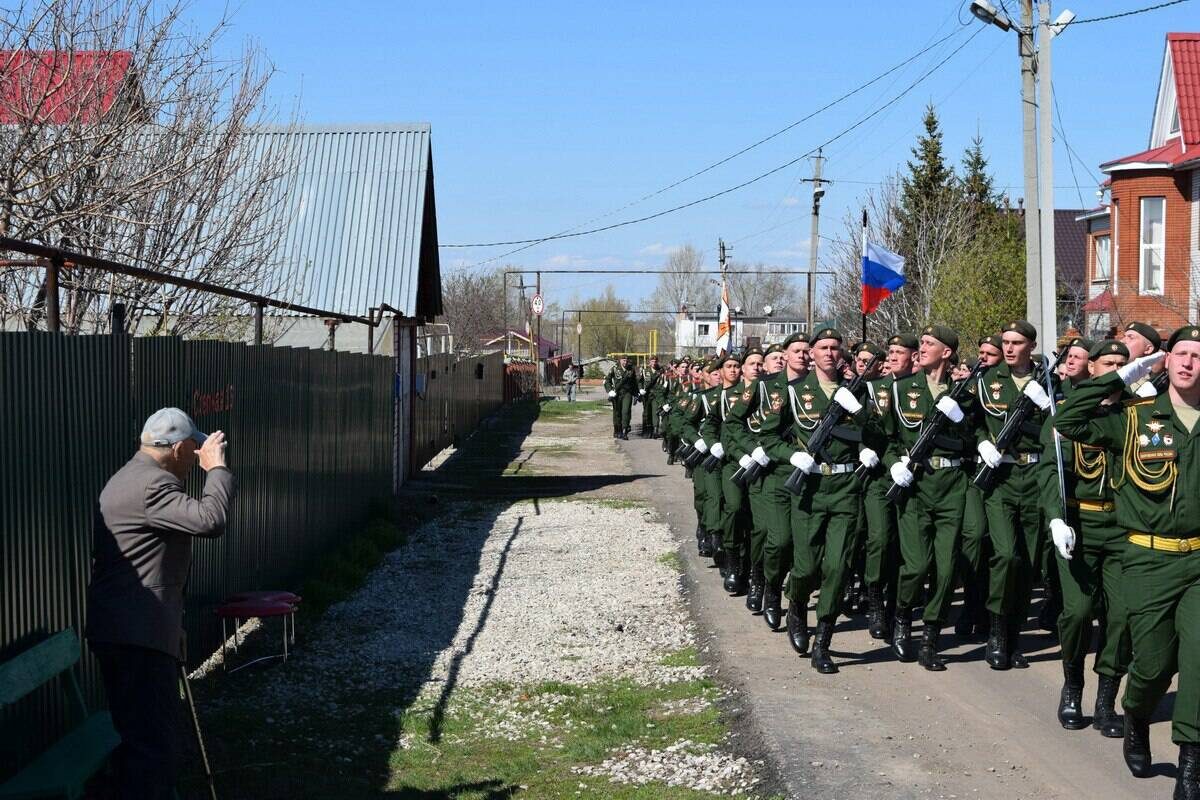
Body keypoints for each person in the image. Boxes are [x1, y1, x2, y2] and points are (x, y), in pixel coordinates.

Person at [1056, 326, 1200, 797]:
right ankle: (1136, 714)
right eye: (1181, 353)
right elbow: (1068, 420)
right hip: (1147, 559)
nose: (1189, 362)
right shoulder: (1135, 418)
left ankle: (1191, 764)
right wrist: (1122, 377)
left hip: (1199, 561)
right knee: (1153, 666)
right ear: (1165, 361)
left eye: (1198, 355)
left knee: (1198, 659)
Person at [86, 408, 234, 799]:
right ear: (180, 448)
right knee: (153, 749)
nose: (195, 458)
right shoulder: (151, 486)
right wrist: (217, 469)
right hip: (136, 637)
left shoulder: (131, 476)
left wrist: (171, 626)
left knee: (142, 739)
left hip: (133, 631)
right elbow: (211, 520)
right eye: (194, 450)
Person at [758, 327, 877, 674]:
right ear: (811, 353)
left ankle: (823, 641)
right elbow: (769, 437)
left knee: (837, 567)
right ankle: (796, 604)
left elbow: (877, 432)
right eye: (823, 347)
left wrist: (863, 430)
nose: (829, 353)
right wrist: (791, 456)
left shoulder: (856, 391)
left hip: (845, 487)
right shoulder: (793, 392)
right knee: (806, 567)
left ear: (841, 354)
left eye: (835, 348)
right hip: (810, 488)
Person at [1040, 338, 1131, 737]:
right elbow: (1050, 471)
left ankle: (1106, 701)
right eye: (1107, 363)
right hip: (1079, 526)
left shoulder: (1137, 414)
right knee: (1077, 612)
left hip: (1124, 529)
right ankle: (1073, 686)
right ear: (1091, 368)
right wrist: (1055, 519)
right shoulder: (1068, 413)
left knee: (1121, 617)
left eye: (1122, 363)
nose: (1115, 370)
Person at [883, 326, 972, 671]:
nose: (921, 348)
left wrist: (961, 418)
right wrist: (894, 464)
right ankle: (903, 617)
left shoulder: (964, 393)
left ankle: (930, 638)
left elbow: (975, 439)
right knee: (917, 565)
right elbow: (886, 439)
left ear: (946, 353)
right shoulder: (902, 389)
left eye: (929, 344)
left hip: (951, 485)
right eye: (920, 343)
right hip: (915, 485)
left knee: (946, 569)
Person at [972, 320, 1054, 671]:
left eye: (1016, 342)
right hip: (1000, 477)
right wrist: (982, 442)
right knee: (1005, 555)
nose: (1008, 348)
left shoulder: (1049, 381)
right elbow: (972, 422)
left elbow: (1060, 425)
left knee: (1027, 562)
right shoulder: (986, 380)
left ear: (1031, 346)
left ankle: (1015, 636)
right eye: (1005, 341)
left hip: (1035, 476)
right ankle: (996, 632)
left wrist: (1048, 405)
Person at [604, 355, 641, 439]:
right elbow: (607, 380)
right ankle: (617, 429)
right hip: (617, 393)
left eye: (626, 360)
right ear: (620, 360)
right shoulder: (614, 369)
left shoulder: (631, 370)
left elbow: (634, 383)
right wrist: (610, 391)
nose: (625, 362)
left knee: (626, 411)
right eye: (623, 360)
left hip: (627, 393)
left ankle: (625, 430)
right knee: (617, 413)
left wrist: (636, 394)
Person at [639, 355, 665, 437]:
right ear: (649, 362)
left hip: (656, 394)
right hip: (647, 395)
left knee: (655, 412)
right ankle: (646, 430)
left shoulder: (660, 371)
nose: (654, 363)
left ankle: (655, 430)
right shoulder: (645, 371)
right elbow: (640, 381)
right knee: (646, 412)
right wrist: (640, 389)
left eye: (655, 361)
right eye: (652, 361)